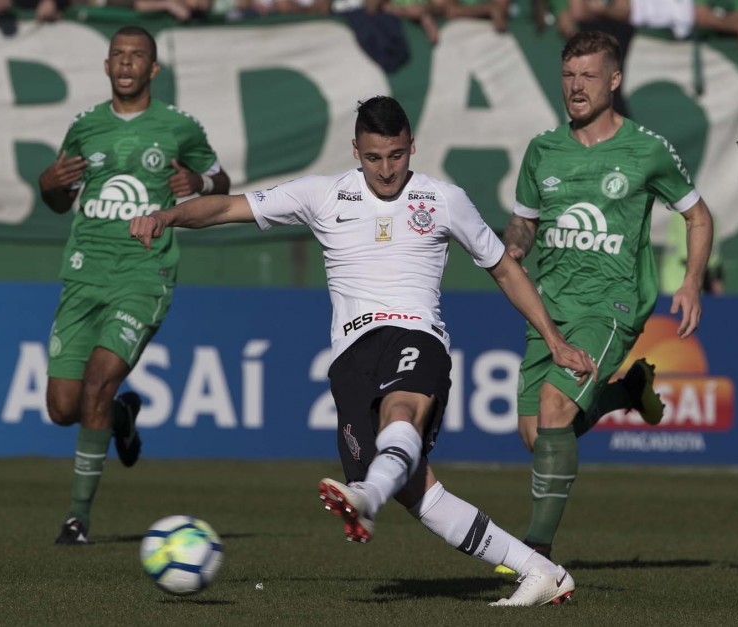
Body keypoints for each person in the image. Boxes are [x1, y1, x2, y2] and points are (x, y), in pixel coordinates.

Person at [130, 95, 597, 606]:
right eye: (374, 157)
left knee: (401, 413)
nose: (387, 169)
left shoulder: (444, 199)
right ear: (355, 150)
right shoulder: (322, 194)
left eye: (397, 155)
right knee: (419, 494)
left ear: (412, 146)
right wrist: (166, 216)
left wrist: (554, 340)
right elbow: (225, 206)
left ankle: (366, 497)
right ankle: (540, 571)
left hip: (417, 336)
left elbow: (504, 268)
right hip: (351, 355)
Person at [500, 31, 714, 568]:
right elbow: (524, 223)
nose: (576, 87)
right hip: (551, 306)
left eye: (588, 76)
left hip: (612, 305)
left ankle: (537, 557)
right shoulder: (541, 149)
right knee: (538, 434)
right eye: (569, 75)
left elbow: (697, 215)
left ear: (614, 81)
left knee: (554, 409)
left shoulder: (647, 149)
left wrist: (690, 281)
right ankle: (626, 393)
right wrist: (512, 249)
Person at [38, 25, 230, 545]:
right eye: (117, 55)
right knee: (62, 408)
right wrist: (48, 185)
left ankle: (77, 519)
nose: (126, 64)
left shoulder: (179, 127)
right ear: (106, 65)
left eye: (136, 56)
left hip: (144, 273)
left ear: (153, 69)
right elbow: (60, 194)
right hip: (83, 274)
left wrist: (198, 184)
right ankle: (121, 416)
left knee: (99, 382)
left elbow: (220, 182)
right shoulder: (85, 127)